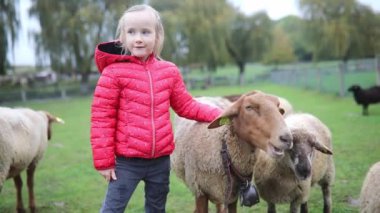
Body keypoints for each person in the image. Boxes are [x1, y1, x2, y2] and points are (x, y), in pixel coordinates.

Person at [90, 4, 222, 213]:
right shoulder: (113, 73)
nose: (138, 38)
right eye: (131, 32)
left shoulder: (169, 71)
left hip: (160, 161)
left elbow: (186, 105)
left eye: (145, 32)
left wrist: (219, 114)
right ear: (122, 36)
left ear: (158, 36)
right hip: (126, 163)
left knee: (156, 208)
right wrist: (104, 162)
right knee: (112, 209)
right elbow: (102, 119)